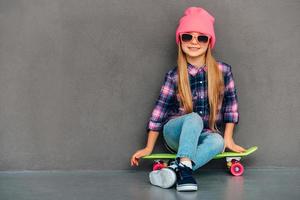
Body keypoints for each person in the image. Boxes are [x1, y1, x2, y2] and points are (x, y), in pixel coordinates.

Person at [130, 6, 246, 192]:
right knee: (194, 118)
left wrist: (228, 139)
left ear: (209, 42)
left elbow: (230, 107)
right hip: (175, 134)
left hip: (202, 136)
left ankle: (174, 172)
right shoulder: (174, 76)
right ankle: (184, 168)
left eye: (201, 37)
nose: (194, 42)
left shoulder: (223, 71)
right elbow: (158, 114)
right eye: (187, 36)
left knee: (217, 142)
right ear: (180, 41)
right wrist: (148, 147)